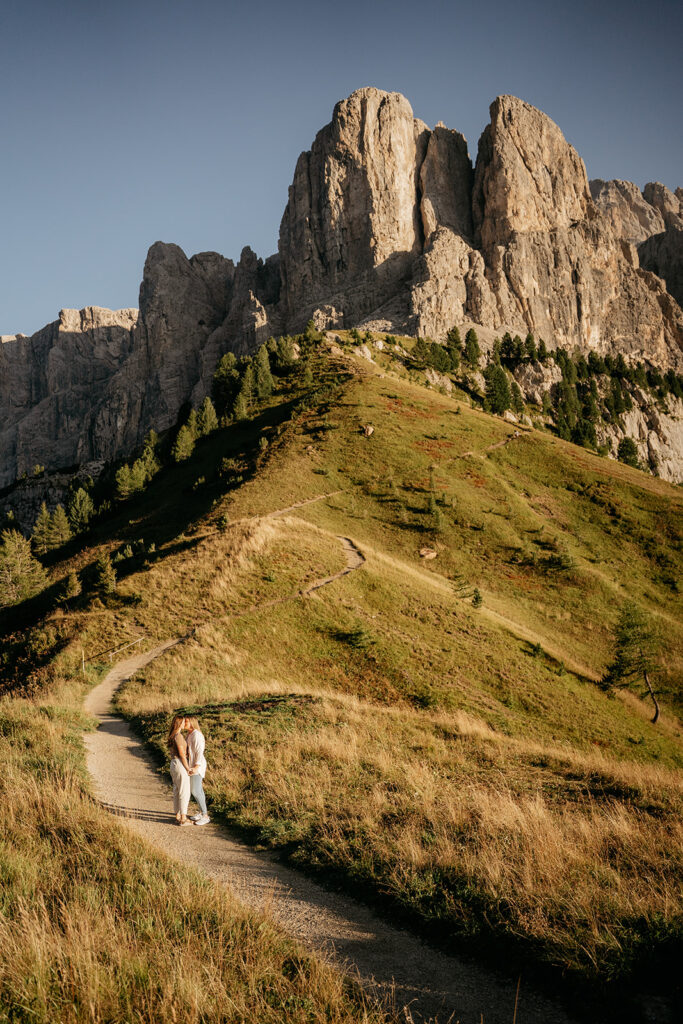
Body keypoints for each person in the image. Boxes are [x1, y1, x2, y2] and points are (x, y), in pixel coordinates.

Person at [166, 714, 191, 826]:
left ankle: (177, 815)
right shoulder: (178, 736)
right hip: (179, 764)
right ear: (180, 723)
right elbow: (181, 754)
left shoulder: (172, 735)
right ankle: (183, 818)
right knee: (184, 791)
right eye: (183, 722)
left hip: (173, 763)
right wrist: (187, 768)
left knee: (177, 790)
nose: (185, 723)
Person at [185, 716, 210, 826]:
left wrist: (196, 766)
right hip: (192, 765)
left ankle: (205, 816)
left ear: (192, 723)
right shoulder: (190, 734)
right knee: (197, 790)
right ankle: (201, 812)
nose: (184, 723)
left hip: (197, 766)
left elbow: (199, 751)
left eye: (186, 721)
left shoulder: (196, 734)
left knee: (195, 790)